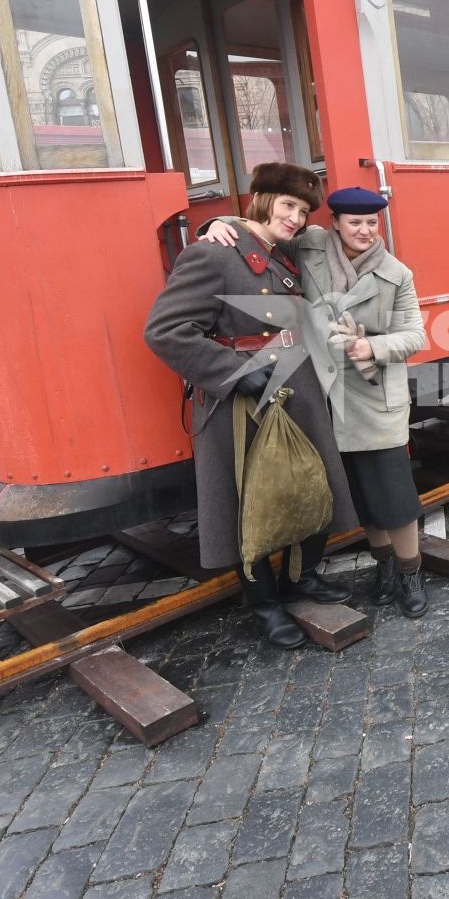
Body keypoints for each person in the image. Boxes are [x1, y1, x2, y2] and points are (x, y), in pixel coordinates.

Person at [145, 163, 359, 648]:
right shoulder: (211, 254)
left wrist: (222, 220)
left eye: (303, 211)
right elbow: (164, 331)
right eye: (287, 206)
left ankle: (301, 580)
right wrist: (233, 373)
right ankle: (265, 606)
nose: (296, 219)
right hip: (240, 399)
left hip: (294, 385)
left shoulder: (275, 250)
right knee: (249, 501)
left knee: (311, 482)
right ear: (261, 199)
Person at [203, 186, 432, 617]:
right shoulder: (308, 246)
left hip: (374, 395)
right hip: (320, 395)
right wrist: (220, 224)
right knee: (357, 492)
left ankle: (410, 571)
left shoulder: (396, 273)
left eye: (371, 223)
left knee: (393, 495)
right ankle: (383, 568)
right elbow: (259, 232)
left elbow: (415, 334)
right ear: (336, 224)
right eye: (355, 223)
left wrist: (375, 348)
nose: (364, 231)